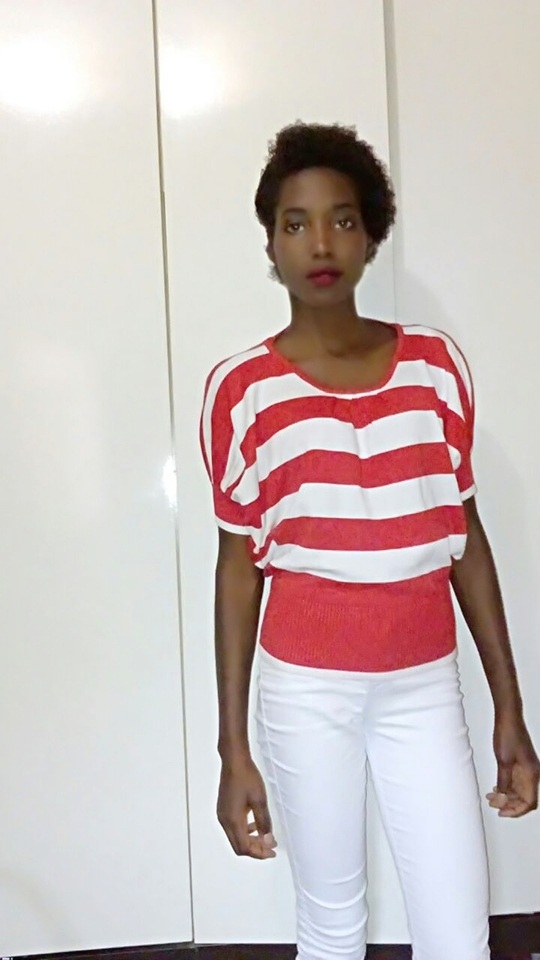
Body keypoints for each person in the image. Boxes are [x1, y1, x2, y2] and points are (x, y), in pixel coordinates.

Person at [200, 122, 539, 960]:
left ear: (371, 235)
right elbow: (238, 569)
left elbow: (465, 538)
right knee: (332, 925)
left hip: (423, 686)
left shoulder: (434, 366)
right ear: (271, 245)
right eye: (296, 223)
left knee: (459, 934)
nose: (320, 243)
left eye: (342, 220)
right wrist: (233, 747)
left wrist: (509, 707)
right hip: (304, 691)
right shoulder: (241, 390)